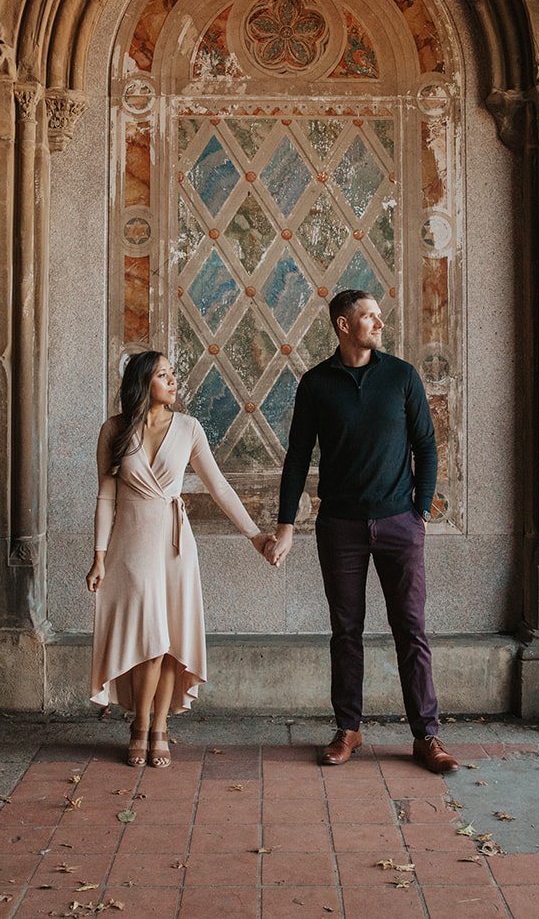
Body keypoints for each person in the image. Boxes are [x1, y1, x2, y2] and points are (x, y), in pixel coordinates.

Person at [266, 290, 460, 774]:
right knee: (345, 632)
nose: (379, 322)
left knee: (410, 629)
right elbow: (296, 460)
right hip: (340, 527)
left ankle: (427, 736)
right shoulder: (315, 384)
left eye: (378, 316)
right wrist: (285, 527)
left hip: (399, 523)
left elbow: (426, 446)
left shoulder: (401, 376)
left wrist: (418, 513)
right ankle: (348, 729)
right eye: (368, 316)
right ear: (343, 325)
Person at [88, 351, 274, 768]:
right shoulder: (114, 430)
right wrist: (98, 557)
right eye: (163, 375)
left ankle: (159, 729)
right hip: (131, 546)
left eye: (173, 374)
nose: (173, 382)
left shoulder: (188, 428)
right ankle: (139, 726)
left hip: (175, 547)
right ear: (142, 383)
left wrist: (256, 536)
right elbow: (105, 498)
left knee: (171, 643)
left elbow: (220, 488)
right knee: (148, 642)